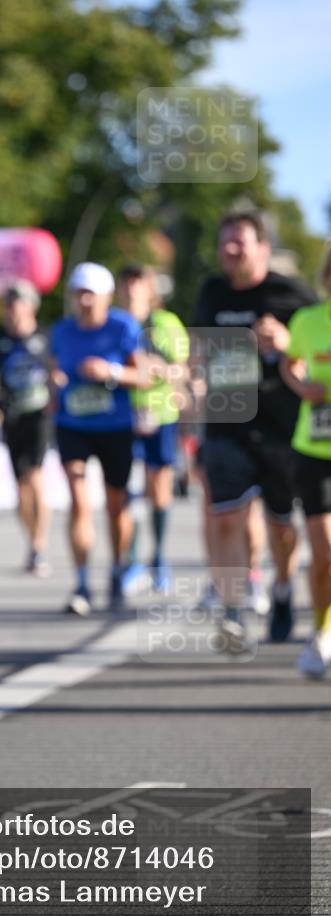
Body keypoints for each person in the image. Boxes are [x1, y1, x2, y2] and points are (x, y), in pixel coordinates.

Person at [192, 209, 316, 649]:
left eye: (239, 242)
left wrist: (285, 342)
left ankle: (282, 589)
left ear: (262, 248)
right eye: (224, 242)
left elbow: (317, 345)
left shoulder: (292, 294)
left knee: (281, 524)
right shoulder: (211, 292)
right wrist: (190, 381)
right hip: (227, 421)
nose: (230, 250)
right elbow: (200, 349)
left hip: (280, 426)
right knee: (225, 515)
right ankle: (232, 612)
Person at [50, 262, 143, 614]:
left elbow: (146, 375)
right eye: (78, 293)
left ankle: (118, 567)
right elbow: (53, 366)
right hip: (72, 423)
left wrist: (112, 371)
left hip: (115, 425)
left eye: (91, 294)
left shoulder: (124, 327)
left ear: (106, 297)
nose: (84, 301)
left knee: (116, 505)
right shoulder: (62, 331)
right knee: (78, 498)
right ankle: (82, 582)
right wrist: (54, 380)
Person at [117, 263, 189, 593]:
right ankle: (130, 562)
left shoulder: (166, 323)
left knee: (158, 486)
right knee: (126, 489)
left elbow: (181, 369)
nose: (132, 289)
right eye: (127, 283)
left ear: (150, 289)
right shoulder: (115, 323)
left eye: (138, 283)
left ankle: (158, 558)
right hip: (120, 417)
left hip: (159, 415)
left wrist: (159, 370)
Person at [280, 248, 331, 676]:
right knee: (325, 552)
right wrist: (302, 386)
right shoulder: (308, 321)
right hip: (315, 450)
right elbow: (288, 361)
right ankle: (320, 635)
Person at [0, 280, 51, 575]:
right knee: (20, 486)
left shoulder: (45, 337)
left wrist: (56, 394)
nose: (11, 311)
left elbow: (58, 370)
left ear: (31, 306)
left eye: (16, 304)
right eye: (7, 305)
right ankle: (31, 541)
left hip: (40, 414)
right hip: (13, 417)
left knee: (35, 474)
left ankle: (39, 544)